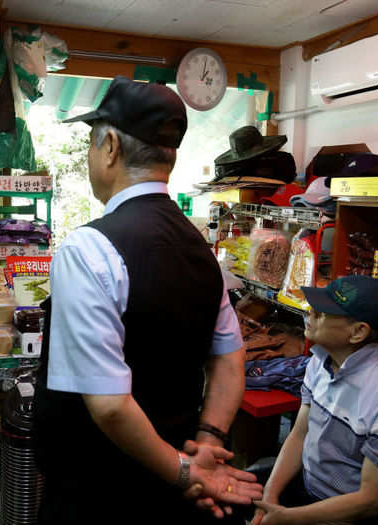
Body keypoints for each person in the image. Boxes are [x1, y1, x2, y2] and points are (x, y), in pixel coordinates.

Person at [33, 76, 262, 524]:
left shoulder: (88, 249)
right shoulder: (202, 250)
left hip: (97, 493)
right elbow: (230, 359)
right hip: (170, 492)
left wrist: (188, 472)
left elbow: (111, 403)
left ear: (111, 147)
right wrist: (209, 442)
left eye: (91, 145)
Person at [252, 275, 378, 525]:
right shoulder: (320, 362)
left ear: (357, 332)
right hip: (307, 487)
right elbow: (300, 433)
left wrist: (289, 518)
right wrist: (270, 497)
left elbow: (372, 501)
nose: (311, 313)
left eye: (323, 313)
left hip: (347, 515)